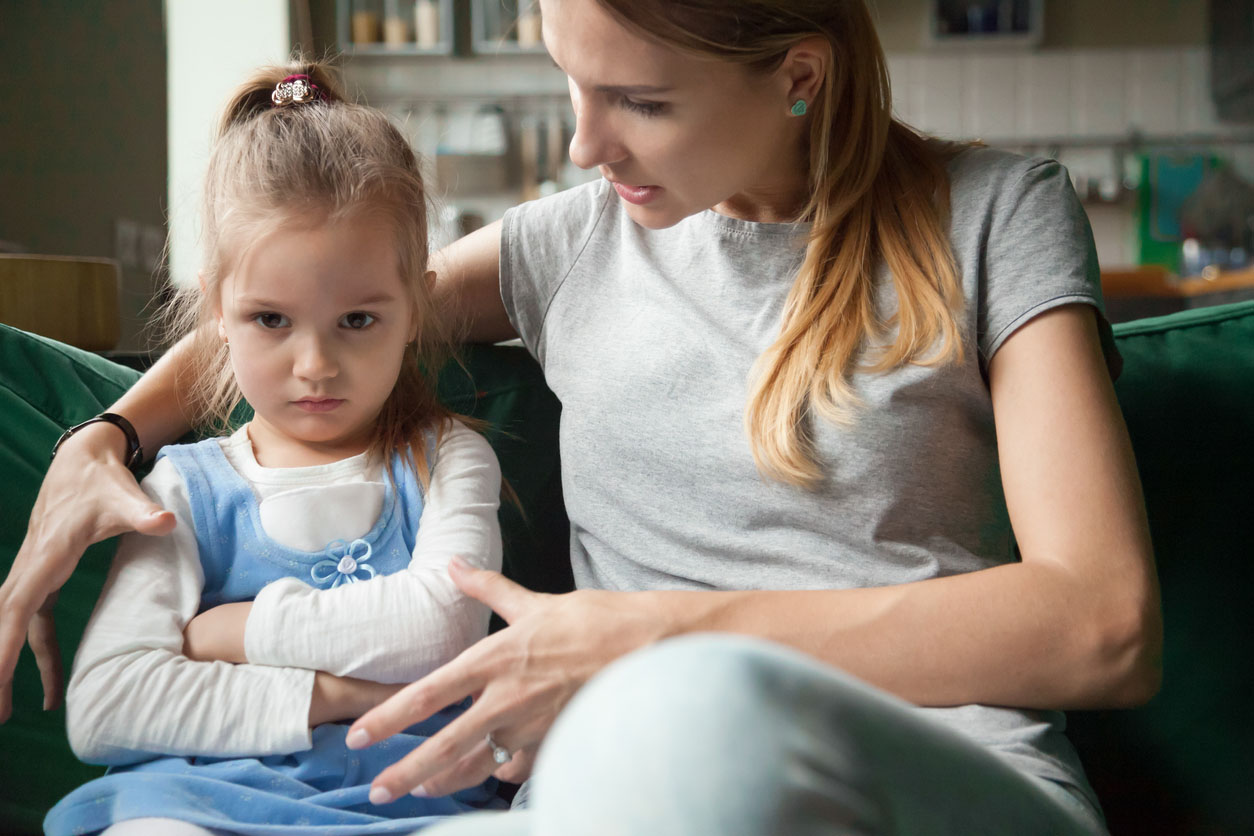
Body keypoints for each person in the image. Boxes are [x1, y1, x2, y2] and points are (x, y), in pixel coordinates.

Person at [2, 0, 1162, 834]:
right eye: (573, 80)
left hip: (931, 773)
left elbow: (1103, 621)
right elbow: (299, 304)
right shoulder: (574, 241)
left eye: (639, 101)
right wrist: (105, 437)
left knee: (701, 709)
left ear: (800, 75)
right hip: (617, 790)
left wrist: (659, 635)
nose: (581, 145)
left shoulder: (997, 213)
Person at [39, 62, 507, 836]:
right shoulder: (180, 487)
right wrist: (344, 694)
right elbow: (107, 706)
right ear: (215, 310)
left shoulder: (446, 457)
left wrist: (236, 634)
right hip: (202, 803)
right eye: (270, 320)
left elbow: (442, 628)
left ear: (417, 308)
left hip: (417, 798)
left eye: (358, 321)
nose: (315, 365)